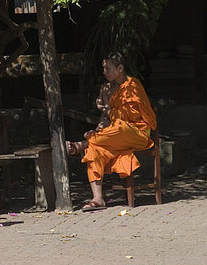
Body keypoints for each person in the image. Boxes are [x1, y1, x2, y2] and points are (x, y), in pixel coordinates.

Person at [66, 52, 157, 211]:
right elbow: (105, 120)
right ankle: (98, 198)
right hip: (113, 135)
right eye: (103, 68)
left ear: (120, 68)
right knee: (95, 149)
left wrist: (106, 109)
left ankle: (83, 143)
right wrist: (99, 128)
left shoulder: (133, 86)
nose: (104, 72)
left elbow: (126, 118)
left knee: (120, 127)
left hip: (136, 134)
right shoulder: (106, 88)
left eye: (108, 68)